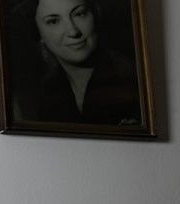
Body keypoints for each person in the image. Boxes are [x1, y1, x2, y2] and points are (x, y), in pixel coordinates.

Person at [12, 0, 142, 126]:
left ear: (96, 14)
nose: (73, 31)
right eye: (53, 21)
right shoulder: (45, 94)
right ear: (38, 33)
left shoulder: (132, 78)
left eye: (79, 14)